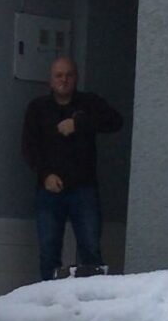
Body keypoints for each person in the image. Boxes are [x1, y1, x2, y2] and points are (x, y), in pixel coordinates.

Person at [21, 57, 123, 280]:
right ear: (50, 80)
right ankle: (48, 304)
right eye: (59, 75)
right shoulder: (38, 109)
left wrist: (79, 123)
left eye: (68, 75)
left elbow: (115, 121)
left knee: (90, 249)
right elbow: (28, 148)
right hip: (49, 189)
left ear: (76, 78)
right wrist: (45, 174)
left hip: (84, 188)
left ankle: (92, 301)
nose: (64, 80)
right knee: (48, 252)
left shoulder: (88, 104)